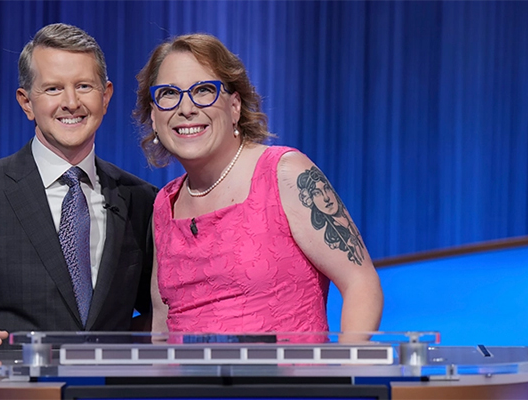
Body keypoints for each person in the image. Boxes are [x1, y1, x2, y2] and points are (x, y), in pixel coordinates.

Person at [0, 23, 157, 358]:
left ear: (105, 96)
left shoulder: (139, 198)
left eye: (83, 86)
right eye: (52, 89)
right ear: (26, 102)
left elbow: (158, 307)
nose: (71, 102)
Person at [132, 33, 383, 336]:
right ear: (154, 114)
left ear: (234, 106)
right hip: (187, 383)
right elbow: (162, 323)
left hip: (287, 382)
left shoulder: (285, 173)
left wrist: (345, 371)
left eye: (204, 90)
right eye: (169, 93)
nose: (186, 108)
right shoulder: (165, 204)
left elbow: (360, 281)